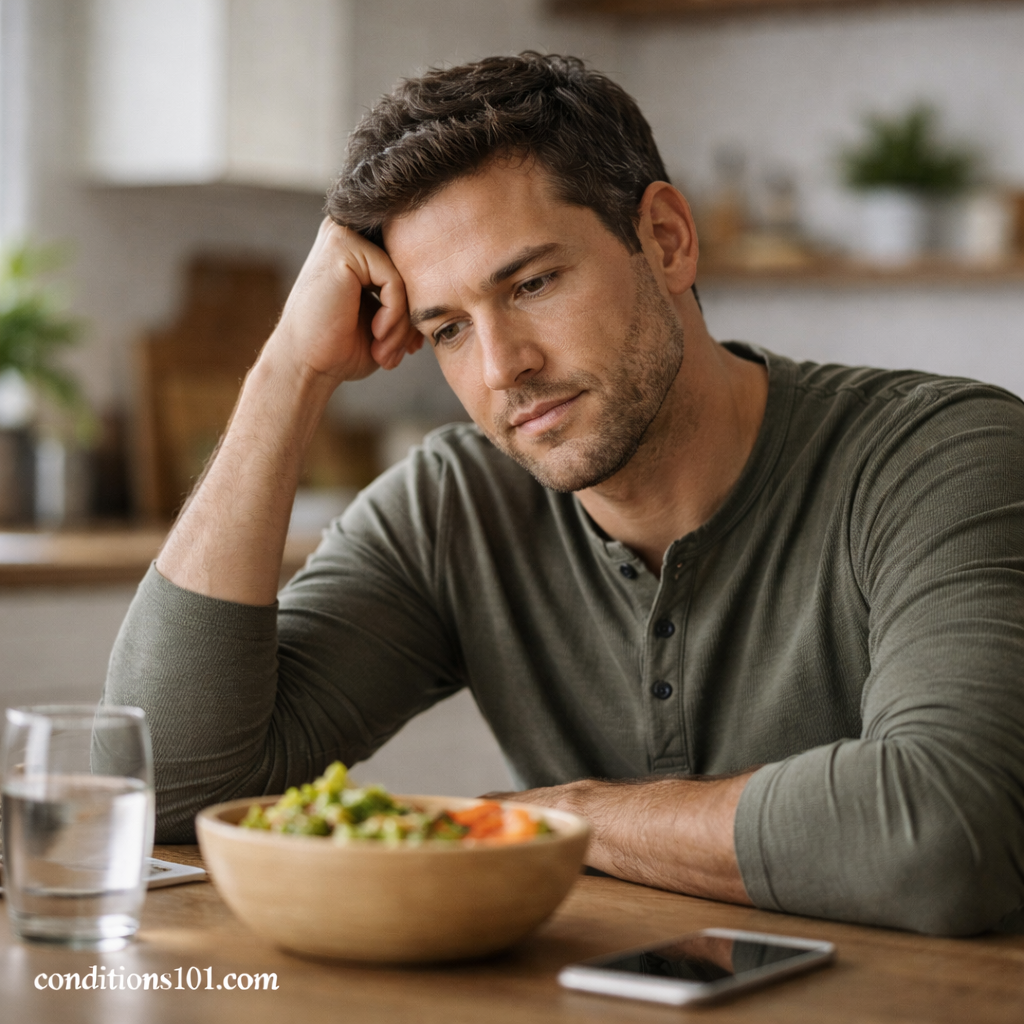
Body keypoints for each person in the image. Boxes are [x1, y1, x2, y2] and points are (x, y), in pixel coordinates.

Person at [106, 52, 1024, 936]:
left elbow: (943, 831)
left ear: (665, 239)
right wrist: (285, 375)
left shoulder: (942, 457)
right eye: (449, 328)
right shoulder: (454, 507)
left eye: (534, 283)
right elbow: (165, 792)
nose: (505, 368)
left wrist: (555, 816)